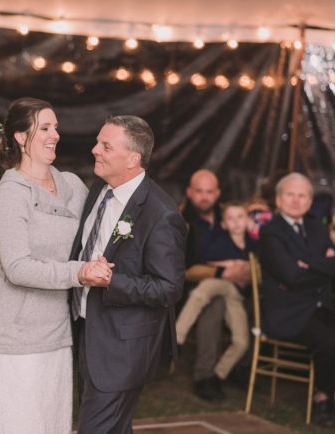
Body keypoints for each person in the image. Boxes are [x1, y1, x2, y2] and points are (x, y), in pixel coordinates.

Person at [0, 97, 110, 434]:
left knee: (51, 421)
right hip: (16, 332)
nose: (55, 135)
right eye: (45, 128)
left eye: (56, 128)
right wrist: (78, 272)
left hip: (57, 330)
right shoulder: (10, 193)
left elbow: (94, 235)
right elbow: (18, 268)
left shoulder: (71, 185)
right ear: (21, 137)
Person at [69, 115, 186, 433]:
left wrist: (112, 281)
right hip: (87, 332)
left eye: (106, 146)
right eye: (98, 142)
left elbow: (168, 288)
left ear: (133, 159)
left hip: (122, 348)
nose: (95, 150)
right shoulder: (98, 189)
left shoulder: (161, 214)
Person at [260, 172, 335, 428]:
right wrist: (322, 263)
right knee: (330, 342)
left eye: (303, 196)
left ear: (310, 201)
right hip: (287, 312)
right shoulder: (271, 232)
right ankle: (322, 398)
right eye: (290, 194)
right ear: (278, 199)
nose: (296, 200)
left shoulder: (317, 226)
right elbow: (292, 276)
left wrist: (307, 262)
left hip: (319, 306)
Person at [182, 169, 250, 402]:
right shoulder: (182, 222)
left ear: (218, 193)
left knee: (256, 300)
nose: (204, 196)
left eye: (209, 191)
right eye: (199, 191)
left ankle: (239, 367)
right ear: (189, 192)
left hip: (234, 284)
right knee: (215, 303)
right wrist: (222, 272)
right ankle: (205, 376)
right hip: (193, 286)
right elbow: (183, 270)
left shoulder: (228, 216)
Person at [176, 202, 255, 382]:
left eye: (240, 217)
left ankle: (218, 375)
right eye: (231, 219)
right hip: (222, 285)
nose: (236, 222)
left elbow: (257, 268)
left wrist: (248, 268)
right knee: (205, 289)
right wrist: (229, 264)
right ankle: (177, 337)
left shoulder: (253, 244)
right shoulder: (220, 242)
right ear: (224, 224)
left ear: (248, 220)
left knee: (241, 342)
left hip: (237, 295)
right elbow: (206, 260)